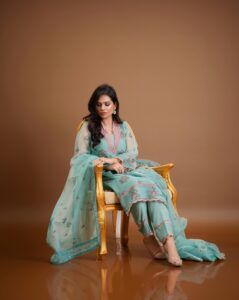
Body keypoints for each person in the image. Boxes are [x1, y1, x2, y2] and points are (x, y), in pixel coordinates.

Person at [46, 84, 225, 265]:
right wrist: (109, 163)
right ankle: (148, 237)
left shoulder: (124, 127)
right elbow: (80, 157)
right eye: (99, 105)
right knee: (136, 186)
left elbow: (133, 153)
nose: (103, 108)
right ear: (94, 106)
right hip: (106, 177)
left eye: (107, 104)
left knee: (151, 186)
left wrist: (119, 162)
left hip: (129, 171)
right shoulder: (87, 127)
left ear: (115, 105)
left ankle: (169, 243)